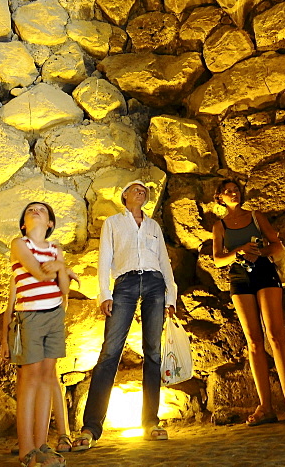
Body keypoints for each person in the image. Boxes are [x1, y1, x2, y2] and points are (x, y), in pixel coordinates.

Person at [72, 180, 177, 450]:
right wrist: (104, 294)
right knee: (110, 352)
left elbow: (164, 261)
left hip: (155, 284)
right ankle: (91, 427)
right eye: (136, 189)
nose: (141, 191)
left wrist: (171, 296)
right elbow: (105, 258)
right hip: (125, 283)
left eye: (145, 190)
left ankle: (150, 422)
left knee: (153, 352)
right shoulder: (113, 223)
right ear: (125, 196)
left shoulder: (153, 226)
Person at [212, 179, 285, 426]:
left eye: (236, 190)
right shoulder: (219, 226)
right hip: (239, 279)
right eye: (227, 191)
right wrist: (239, 251)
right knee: (253, 341)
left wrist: (259, 252)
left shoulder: (256, 216)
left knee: (276, 336)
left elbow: (276, 245)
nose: (233, 193)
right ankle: (265, 406)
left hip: (264, 273)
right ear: (220, 197)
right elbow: (218, 259)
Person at [1, 201, 74, 467]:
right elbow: (38, 272)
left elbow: (63, 288)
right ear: (23, 224)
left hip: (54, 315)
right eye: (30, 210)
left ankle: (42, 445)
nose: (35, 211)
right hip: (29, 316)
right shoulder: (19, 244)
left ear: (50, 224)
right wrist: (59, 268)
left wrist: (60, 269)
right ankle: (26, 451)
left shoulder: (57, 249)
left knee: (46, 378)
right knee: (28, 380)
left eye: (41, 210)